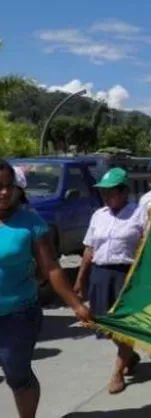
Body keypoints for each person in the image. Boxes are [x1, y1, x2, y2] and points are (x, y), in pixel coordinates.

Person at [0, 159, 92, 418]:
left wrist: (75, 304)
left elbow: (51, 268)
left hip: (17, 314)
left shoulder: (31, 222)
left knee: (17, 374)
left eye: (9, 186)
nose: (5, 192)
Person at [73, 168, 147, 395]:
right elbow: (89, 249)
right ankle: (129, 355)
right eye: (103, 192)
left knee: (123, 326)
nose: (106, 196)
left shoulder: (140, 213)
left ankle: (117, 372)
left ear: (124, 191)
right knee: (104, 325)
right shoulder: (99, 215)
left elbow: (149, 245)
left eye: (111, 191)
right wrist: (80, 280)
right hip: (100, 274)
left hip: (127, 274)